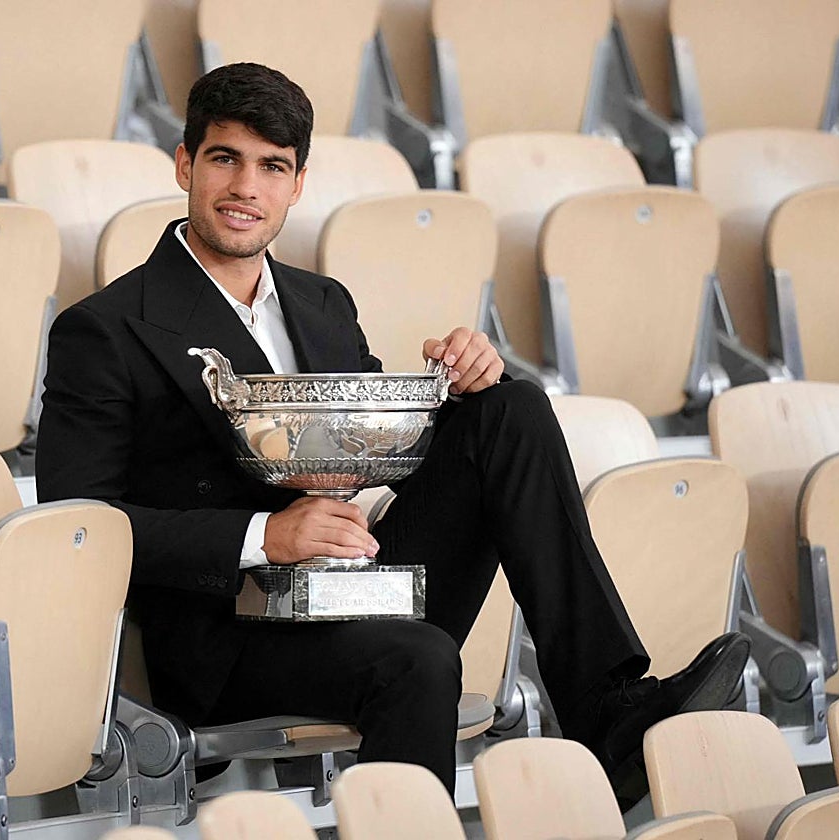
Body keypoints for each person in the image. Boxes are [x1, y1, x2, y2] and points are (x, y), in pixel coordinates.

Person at [36, 62, 749, 797]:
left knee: (511, 407)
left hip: (355, 586)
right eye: (226, 159)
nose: (247, 188)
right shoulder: (105, 329)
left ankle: (610, 713)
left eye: (272, 167)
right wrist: (263, 536)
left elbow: (384, 453)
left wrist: (457, 383)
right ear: (186, 163)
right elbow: (80, 527)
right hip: (230, 638)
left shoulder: (322, 304)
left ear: (298, 183)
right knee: (420, 656)